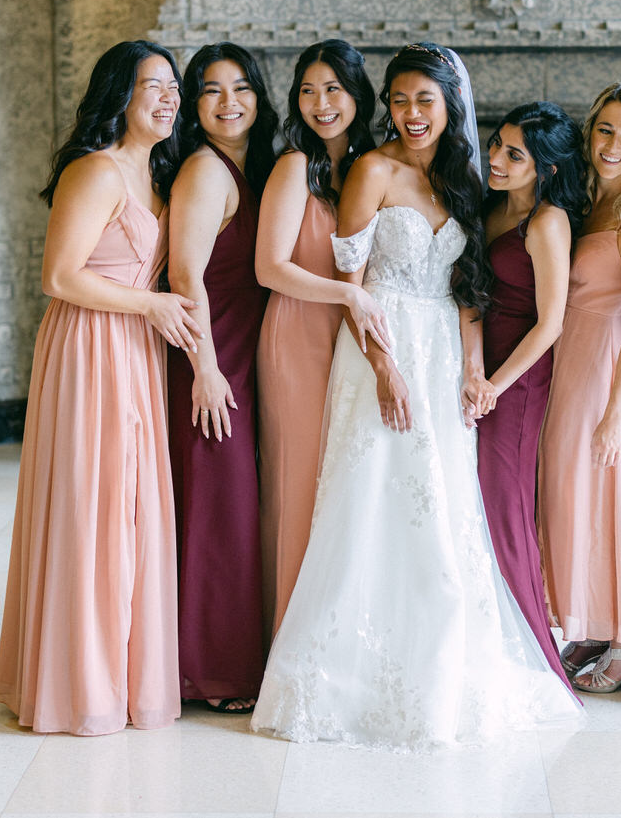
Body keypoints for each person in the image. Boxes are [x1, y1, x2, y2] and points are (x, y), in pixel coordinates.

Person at [252, 42, 581, 750]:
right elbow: (354, 288)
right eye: (399, 100)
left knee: (442, 502)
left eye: (423, 100)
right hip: (381, 344)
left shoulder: (465, 175)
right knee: (371, 493)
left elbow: (467, 290)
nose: (409, 113)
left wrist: (471, 367)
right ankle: (347, 674)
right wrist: (384, 368)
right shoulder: (372, 170)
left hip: (440, 350)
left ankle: (444, 665)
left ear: (449, 103)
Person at [0, 40, 201, 735]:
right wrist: (150, 306)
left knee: (133, 509)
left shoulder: (158, 178)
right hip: (89, 346)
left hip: (137, 351)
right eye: (154, 85)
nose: (169, 97)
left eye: (174, 86)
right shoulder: (98, 171)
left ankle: (128, 675)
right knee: (94, 507)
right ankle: (81, 684)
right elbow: (58, 275)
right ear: (120, 93)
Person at [156, 41, 278, 714]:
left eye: (241, 88)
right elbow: (183, 273)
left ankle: (214, 660)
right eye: (211, 90)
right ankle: (211, 671)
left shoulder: (245, 167)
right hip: (211, 362)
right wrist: (204, 367)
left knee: (228, 508)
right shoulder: (206, 169)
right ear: (193, 106)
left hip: (234, 358)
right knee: (217, 510)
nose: (229, 103)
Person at [256, 39, 390, 635]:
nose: (321, 103)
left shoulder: (374, 166)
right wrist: (347, 295)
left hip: (352, 341)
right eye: (307, 91)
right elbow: (270, 267)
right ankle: (288, 635)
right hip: (298, 335)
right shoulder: (294, 167)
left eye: (333, 88)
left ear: (357, 94)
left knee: (345, 484)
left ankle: (340, 634)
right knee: (299, 482)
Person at [538, 82, 621, 695]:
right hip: (570, 360)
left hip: (609, 364)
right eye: (605, 130)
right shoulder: (586, 201)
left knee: (608, 496)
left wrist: (617, 413)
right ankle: (589, 621)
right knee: (574, 495)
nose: (613, 145)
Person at [464, 101, 589, 687]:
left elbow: (552, 322)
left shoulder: (547, 223)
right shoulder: (488, 205)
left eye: (515, 154)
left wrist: (495, 384)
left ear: (546, 168)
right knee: (472, 507)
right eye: (497, 145)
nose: (497, 159)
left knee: (506, 506)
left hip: (516, 378)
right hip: (473, 370)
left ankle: (533, 653)